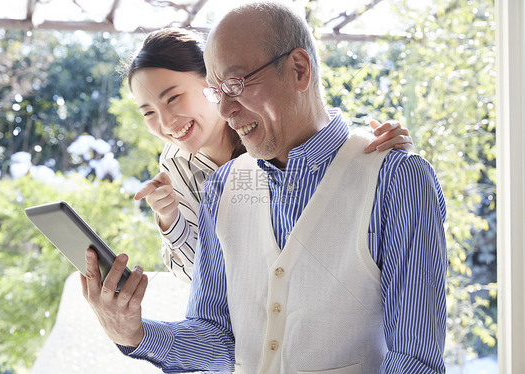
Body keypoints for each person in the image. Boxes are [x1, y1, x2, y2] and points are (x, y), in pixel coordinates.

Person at [81, 2, 447, 373]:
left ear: (299, 70)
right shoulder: (221, 188)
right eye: (215, 92)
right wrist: (135, 334)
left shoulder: (398, 179)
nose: (225, 110)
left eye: (236, 85)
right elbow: (219, 337)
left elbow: (414, 360)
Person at [125, 28, 414, 283]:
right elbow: (199, 281)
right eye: (148, 112)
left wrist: (385, 156)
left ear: (212, 82)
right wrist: (170, 219)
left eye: (173, 98)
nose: (165, 123)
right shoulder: (175, 164)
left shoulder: (268, 128)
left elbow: (334, 160)